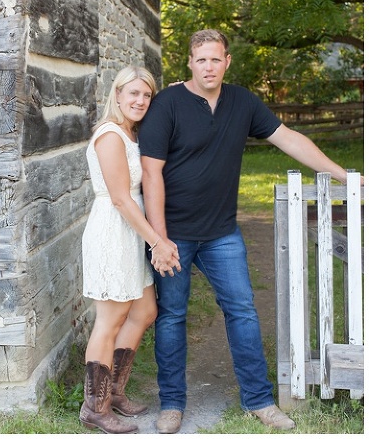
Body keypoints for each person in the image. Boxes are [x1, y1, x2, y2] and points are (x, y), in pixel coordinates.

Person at [139, 29, 359, 434]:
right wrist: (159, 239)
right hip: (174, 234)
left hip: (221, 232)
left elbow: (289, 139)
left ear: (227, 62)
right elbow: (151, 173)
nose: (209, 66)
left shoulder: (242, 102)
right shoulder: (167, 104)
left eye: (216, 59)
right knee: (171, 316)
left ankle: (259, 400)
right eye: (201, 59)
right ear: (189, 61)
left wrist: (346, 177)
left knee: (242, 311)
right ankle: (172, 402)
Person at [79, 65, 181, 434]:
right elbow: (121, 199)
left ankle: (114, 392)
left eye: (146, 94)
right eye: (133, 93)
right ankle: (95, 407)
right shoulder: (109, 136)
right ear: (117, 95)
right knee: (110, 320)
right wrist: (157, 240)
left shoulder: (129, 133)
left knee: (145, 311)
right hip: (113, 232)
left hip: (131, 234)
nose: (140, 100)